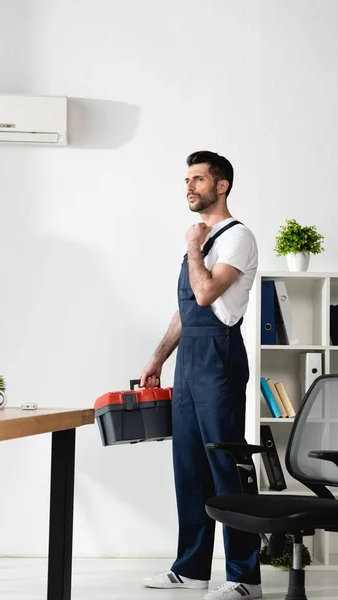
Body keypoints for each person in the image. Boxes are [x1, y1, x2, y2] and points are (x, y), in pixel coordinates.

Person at [140, 151, 261, 600]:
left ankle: (245, 577)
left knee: (224, 463)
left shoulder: (236, 237)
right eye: (186, 180)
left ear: (221, 185)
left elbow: (207, 292)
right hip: (190, 357)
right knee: (189, 466)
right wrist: (158, 358)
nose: (189, 187)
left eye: (197, 179)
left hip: (219, 357)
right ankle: (191, 568)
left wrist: (194, 246)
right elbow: (186, 309)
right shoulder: (203, 238)